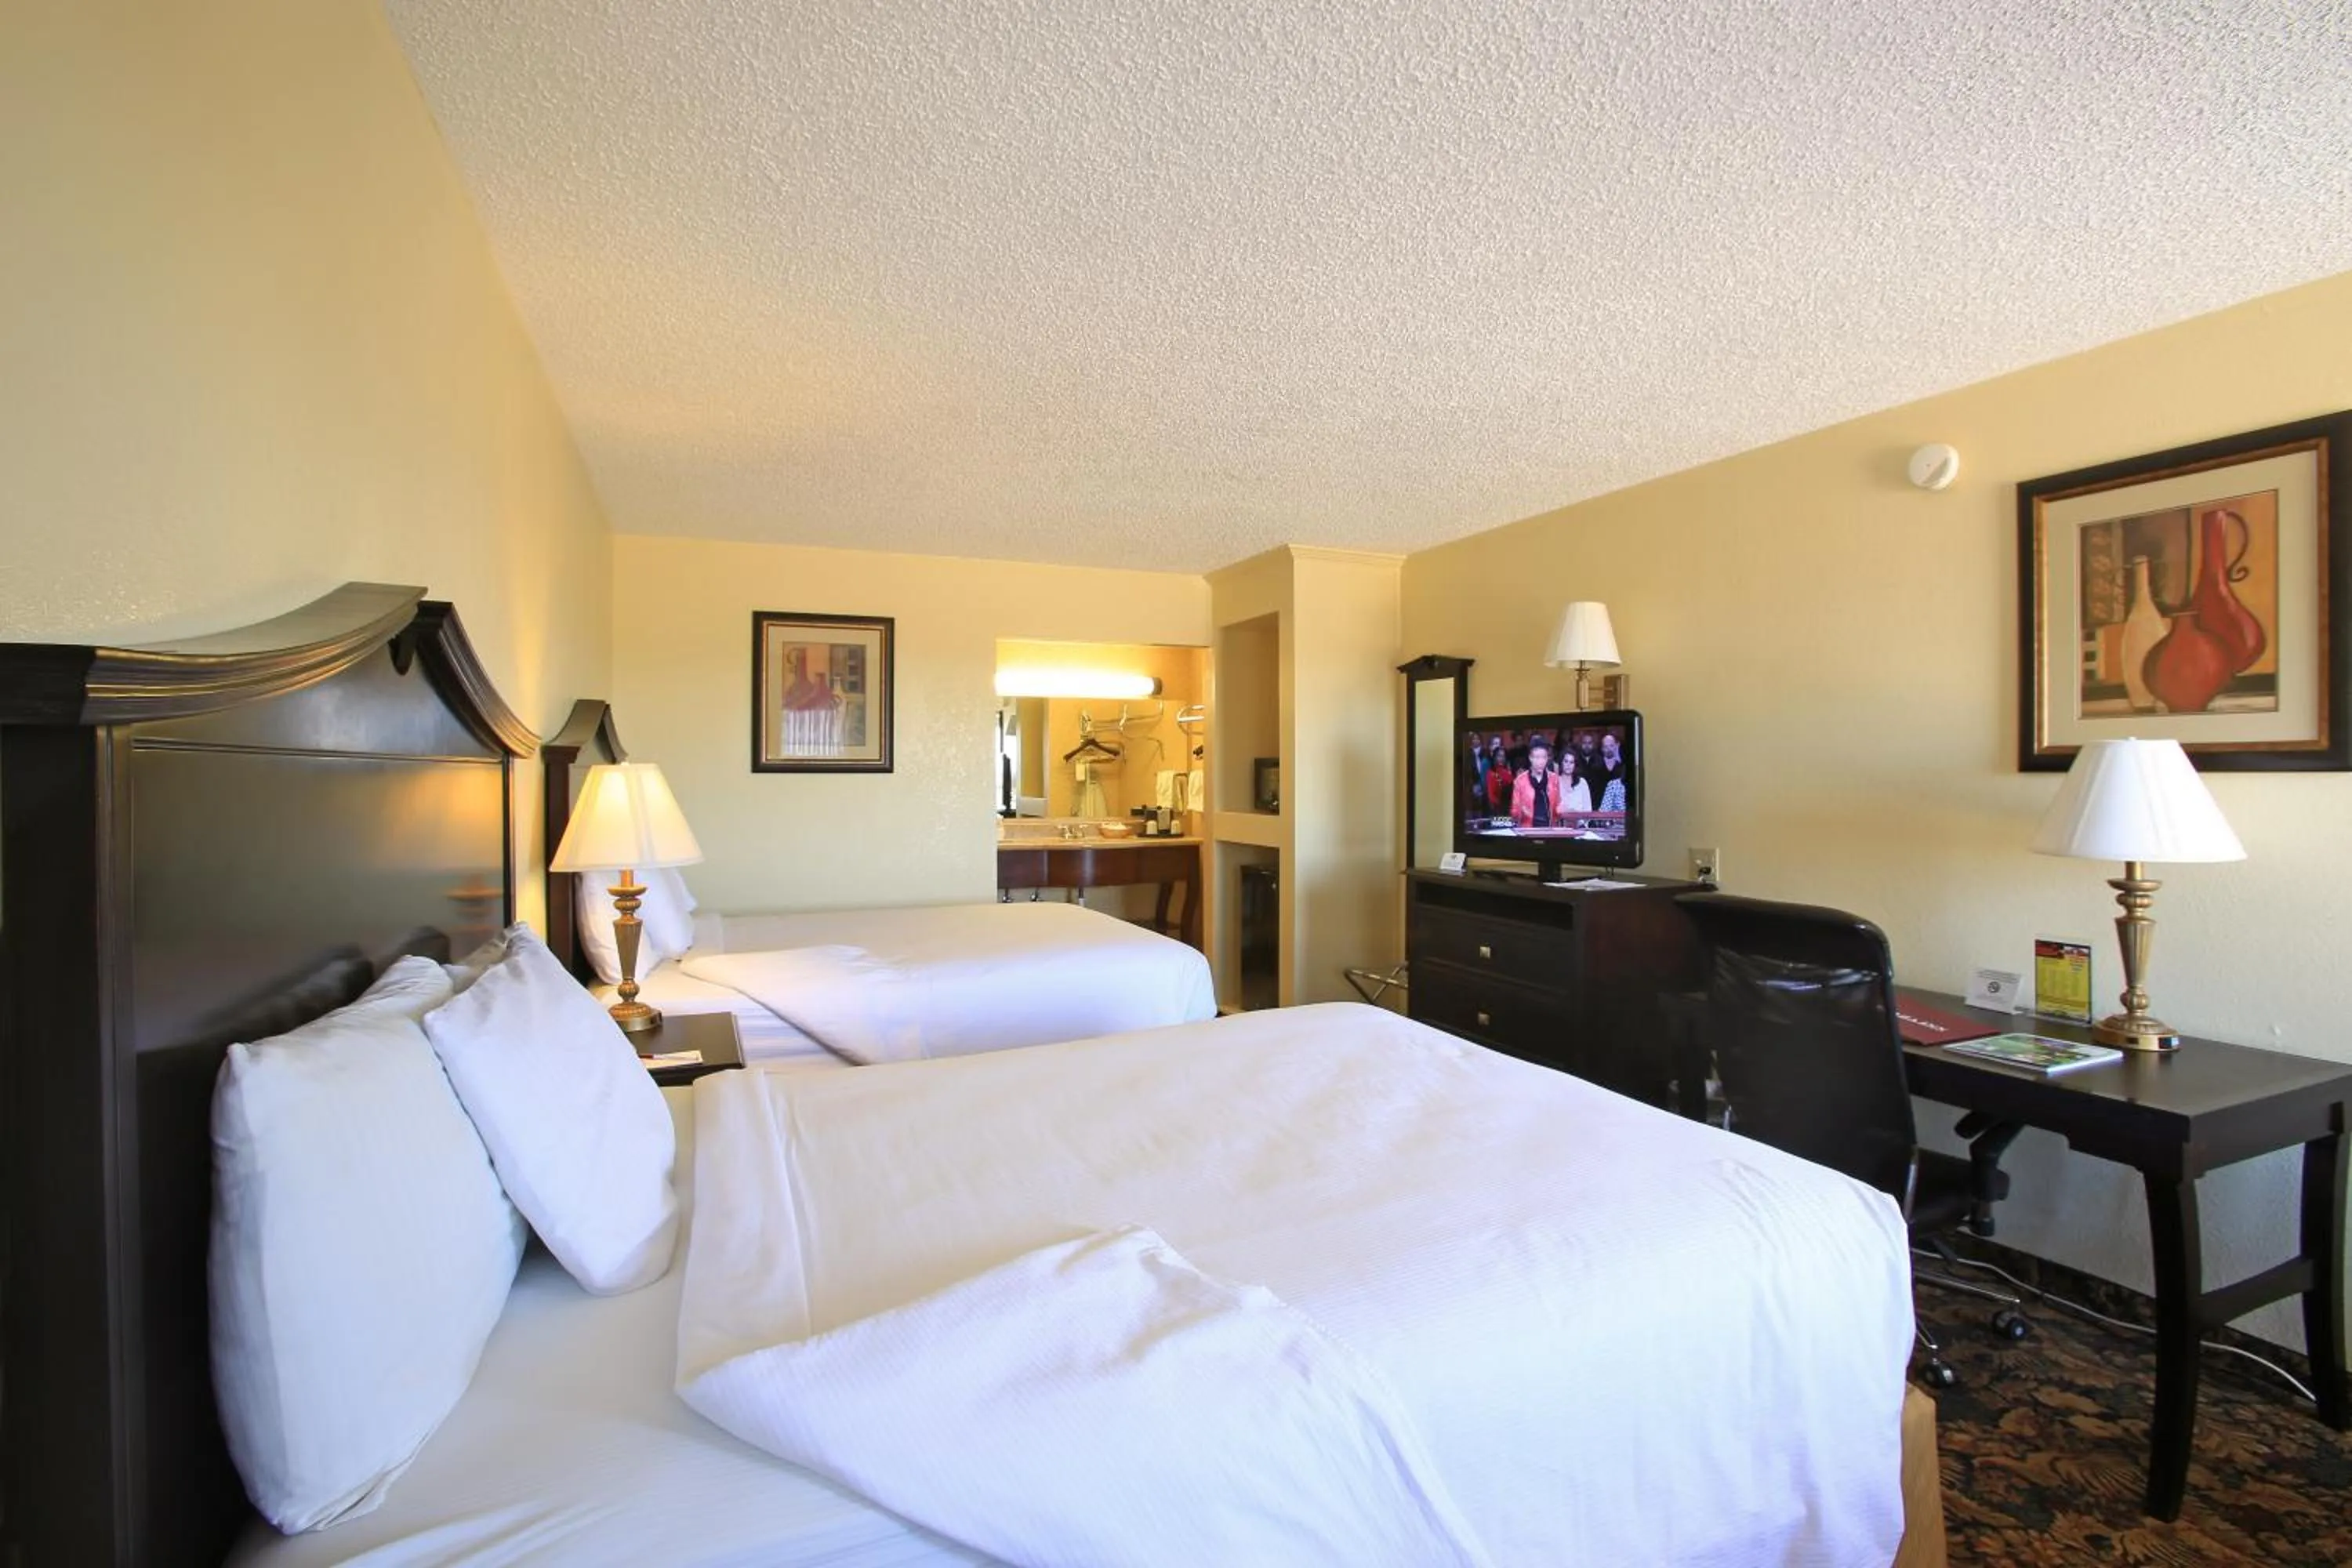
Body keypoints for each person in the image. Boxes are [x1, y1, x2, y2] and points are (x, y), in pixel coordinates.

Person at [1511, 738, 1591, 829]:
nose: (1541, 762)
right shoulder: (1520, 781)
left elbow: (1557, 807)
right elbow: (1515, 812)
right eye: (1537, 757)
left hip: (1550, 830)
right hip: (1528, 831)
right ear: (1530, 758)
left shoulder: (1554, 779)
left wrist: (1569, 812)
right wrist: (1524, 811)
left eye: (1544, 757)